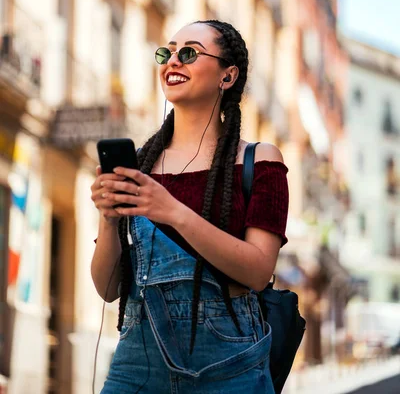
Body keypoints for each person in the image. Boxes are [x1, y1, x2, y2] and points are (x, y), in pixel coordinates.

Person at [91, 19, 289, 393]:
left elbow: (258, 271)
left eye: (189, 53)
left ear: (226, 76)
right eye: (166, 53)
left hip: (228, 359)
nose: (172, 62)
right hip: (138, 356)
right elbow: (107, 288)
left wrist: (172, 210)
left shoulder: (259, 160)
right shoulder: (140, 164)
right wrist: (107, 220)